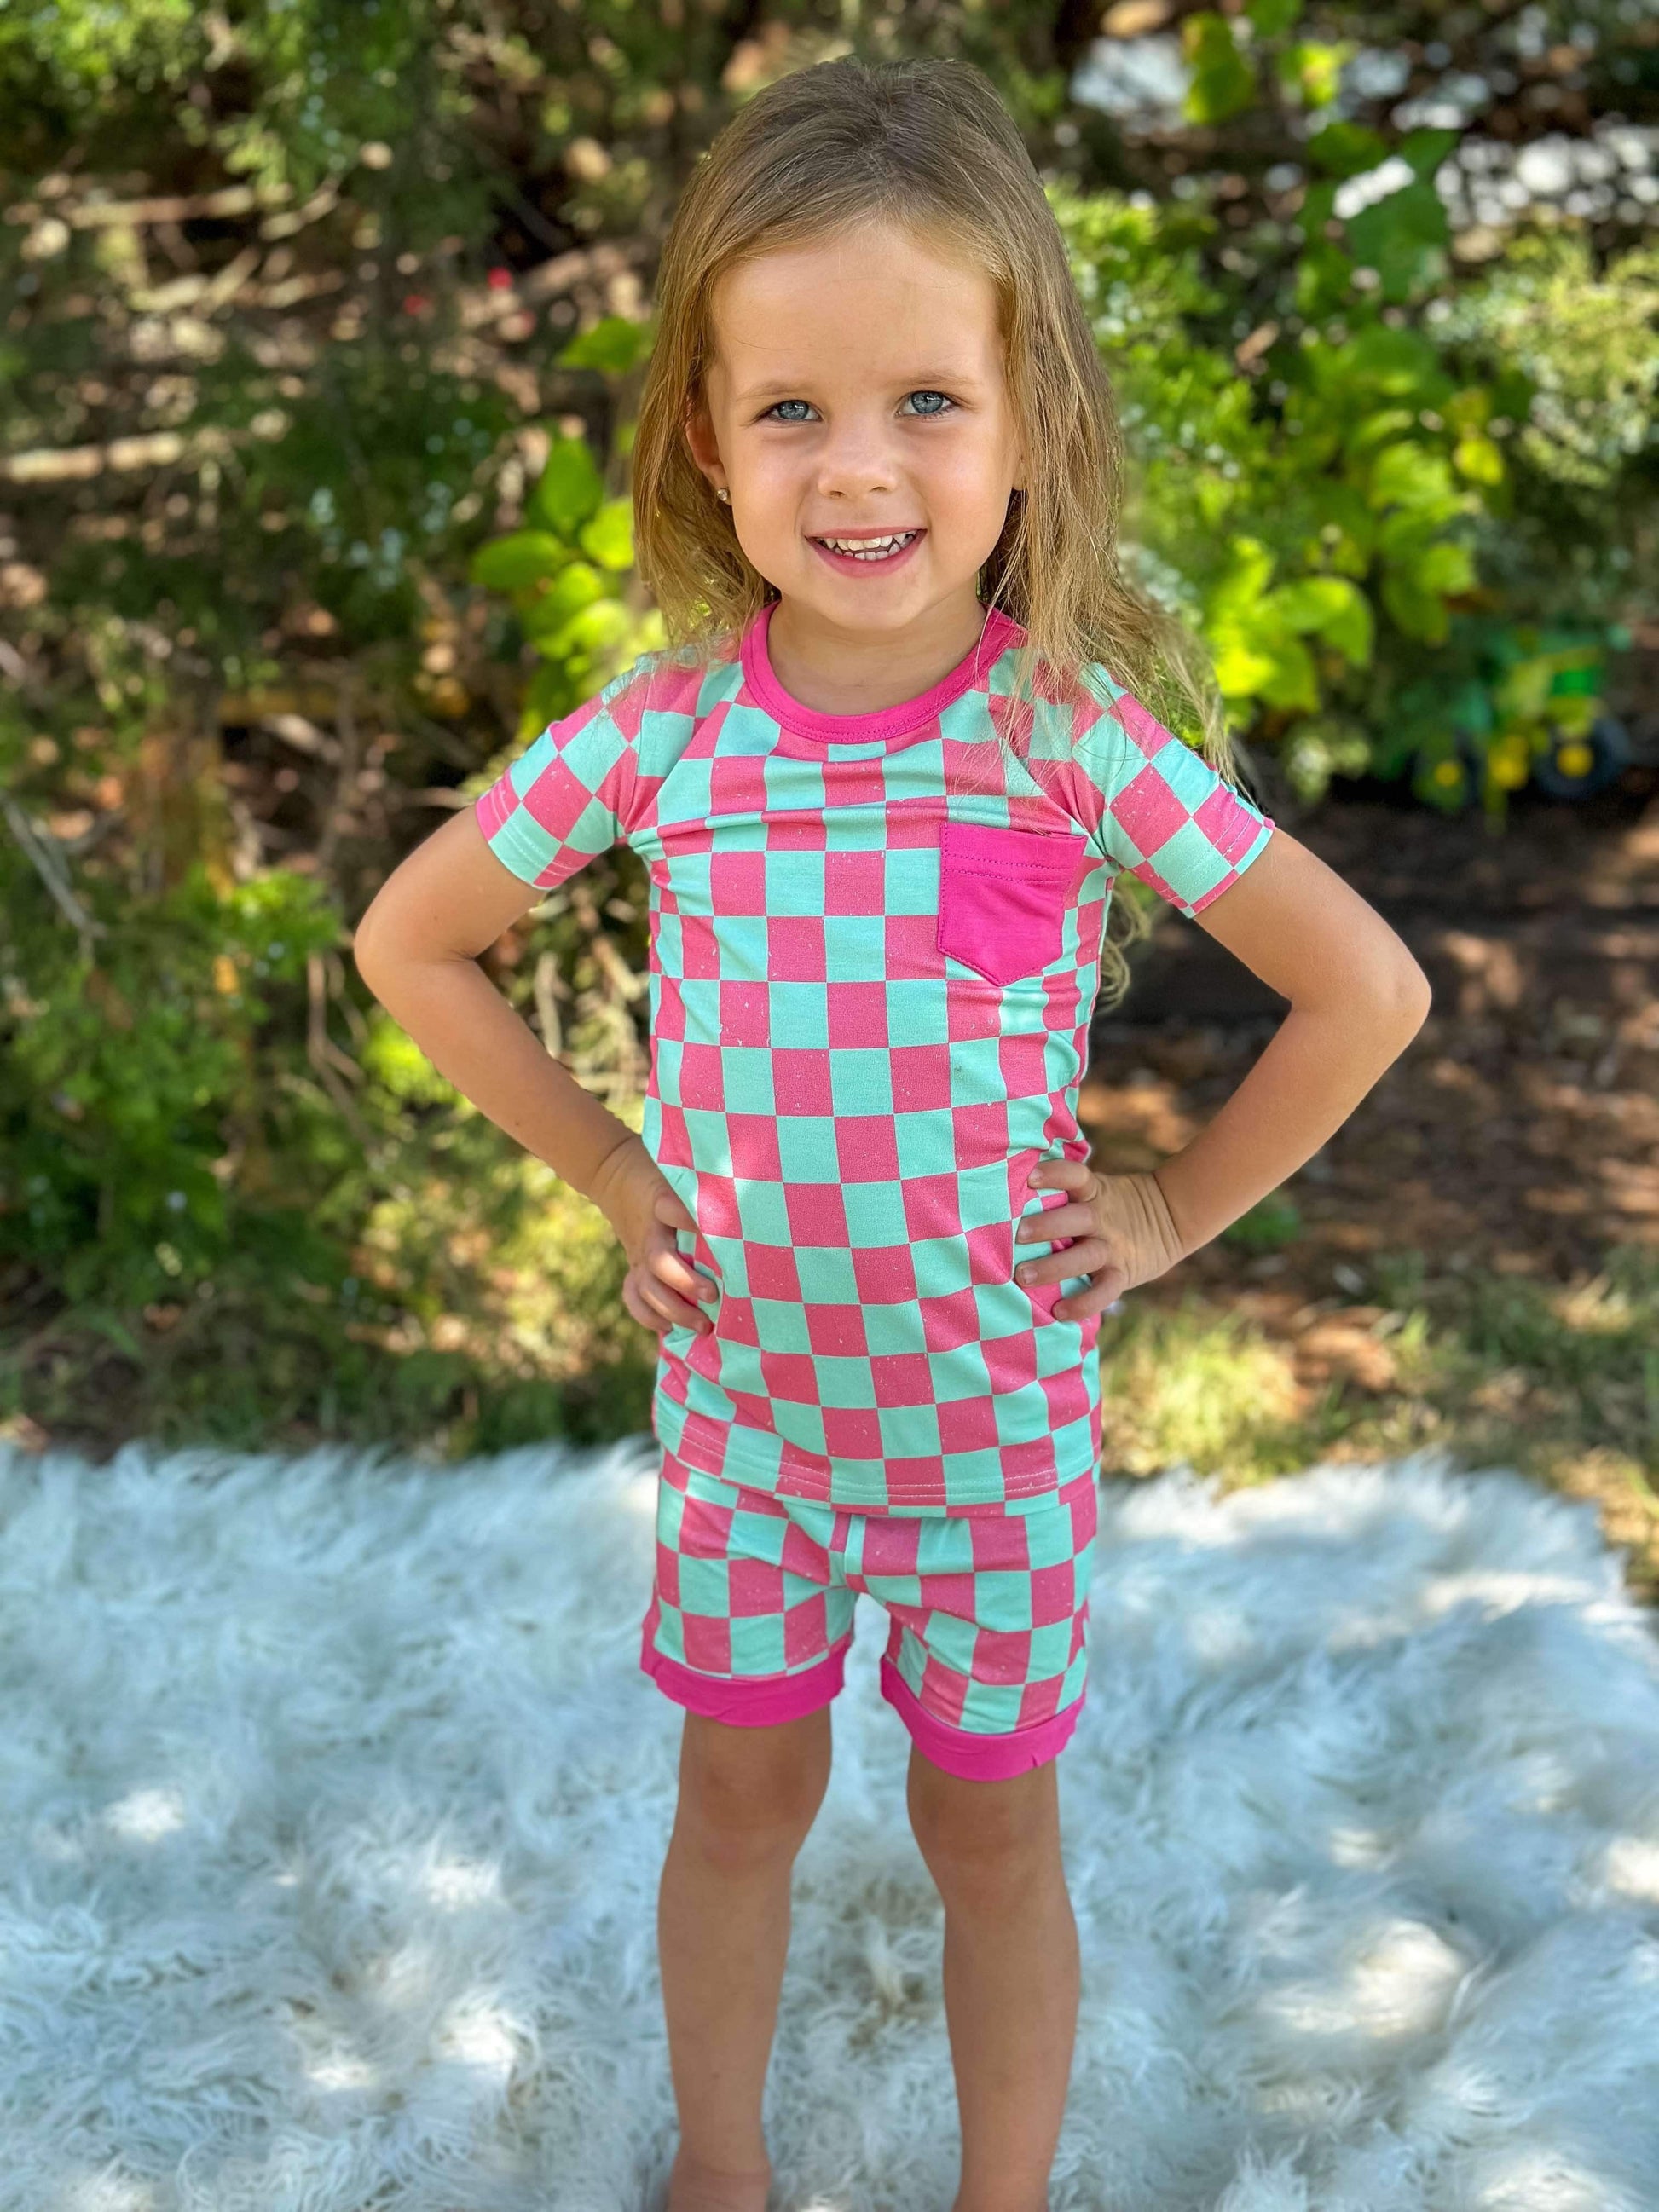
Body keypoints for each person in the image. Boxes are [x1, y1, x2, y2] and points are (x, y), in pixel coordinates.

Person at [352, 52, 1431, 2212]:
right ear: (706, 436)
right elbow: (414, 939)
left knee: (989, 1831)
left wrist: (1168, 1208)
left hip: (989, 1434)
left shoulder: (1068, 740)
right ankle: (721, 2168)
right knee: (735, 1806)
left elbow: (1366, 987)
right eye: (792, 408)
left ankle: (998, 2192)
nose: (858, 466)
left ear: (1030, 423)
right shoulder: (664, 734)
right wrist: (613, 1169)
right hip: (750, 1423)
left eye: (928, 400)